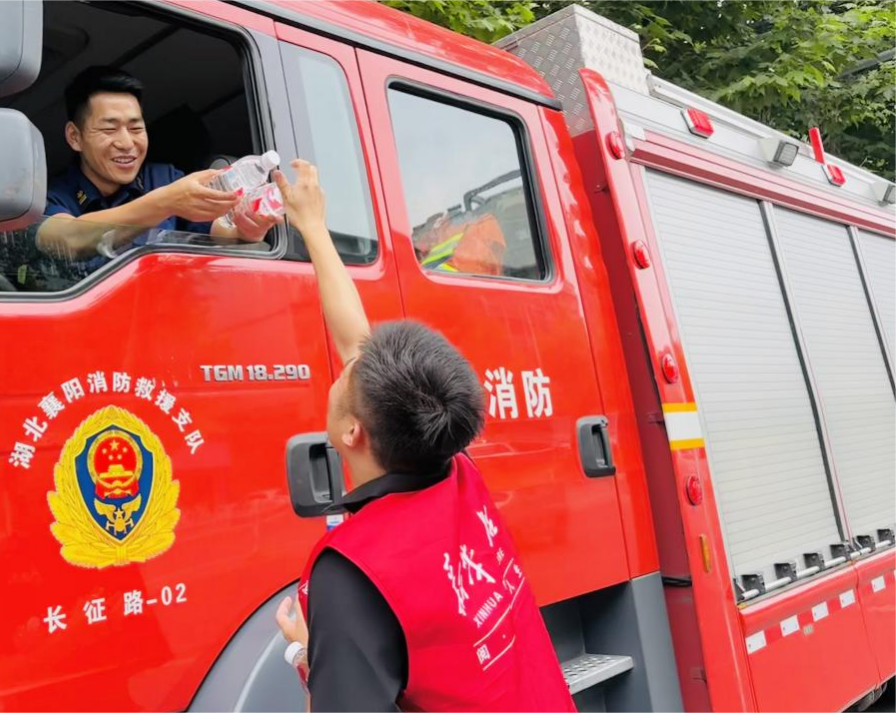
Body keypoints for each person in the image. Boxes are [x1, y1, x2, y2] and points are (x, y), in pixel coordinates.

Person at [272, 160, 576, 713]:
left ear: (353, 431)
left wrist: (311, 658)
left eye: (346, 376)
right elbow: (355, 339)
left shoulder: (354, 572)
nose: (346, 363)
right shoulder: (458, 474)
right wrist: (313, 226)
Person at [35, 66, 278, 269]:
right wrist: (165, 202)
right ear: (74, 137)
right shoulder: (53, 194)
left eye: (136, 128)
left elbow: (218, 234)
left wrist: (246, 231)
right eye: (109, 129)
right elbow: (66, 239)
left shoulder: (166, 177)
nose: (127, 143)